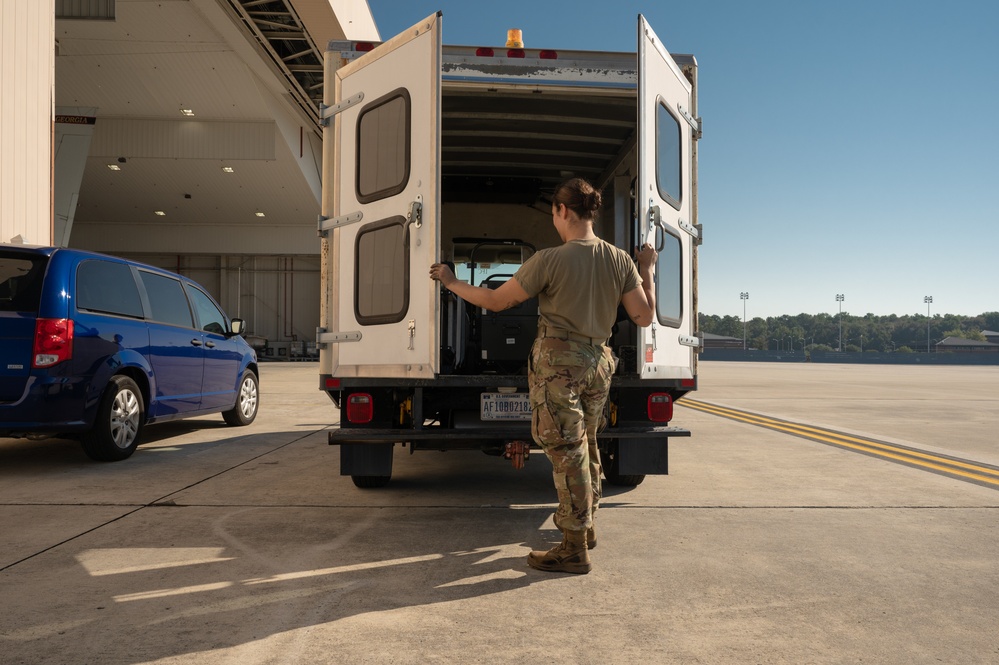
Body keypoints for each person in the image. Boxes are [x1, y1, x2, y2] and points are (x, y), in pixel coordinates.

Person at [429, 177, 657, 574]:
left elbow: (497, 302)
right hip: (598, 362)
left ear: (562, 211)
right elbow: (643, 316)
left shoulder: (550, 260)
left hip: (560, 363)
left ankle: (572, 547)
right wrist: (647, 270)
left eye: (553, 211)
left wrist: (451, 282)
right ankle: (586, 528)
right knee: (587, 444)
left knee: (566, 452)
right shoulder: (620, 260)